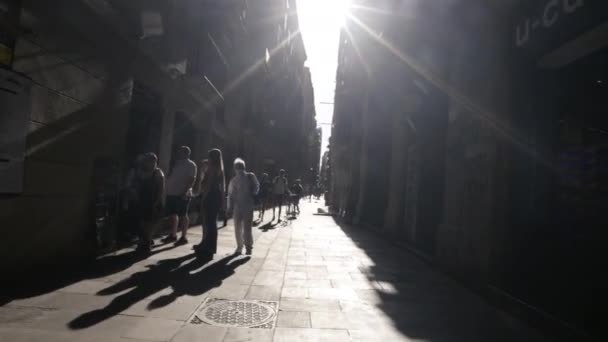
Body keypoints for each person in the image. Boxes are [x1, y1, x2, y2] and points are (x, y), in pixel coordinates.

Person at [162, 146, 197, 245]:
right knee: (172, 214)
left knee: (183, 215)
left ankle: (184, 236)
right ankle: (173, 234)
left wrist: (185, 191)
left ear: (187, 153)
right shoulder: (176, 163)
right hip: (171, 192)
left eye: (181, 152)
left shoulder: (191, 164)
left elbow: (191, 179)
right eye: (179, 152)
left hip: (182, 193)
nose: (179, 153)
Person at [196, 148, 225, 257]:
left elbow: (207, 185)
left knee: (209, 223)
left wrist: (203, 198)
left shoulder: (212, 168)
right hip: (216, 196)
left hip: (210, 196)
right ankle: (208, 246)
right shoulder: (219, 168)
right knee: (212, 223)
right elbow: (222, 187)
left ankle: (207, 247)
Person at [227, 158, 259, 255]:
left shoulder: (234, 179)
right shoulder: (250, 176)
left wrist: (229, 208)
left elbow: (230, 195)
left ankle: (240, 247)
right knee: (247, 227)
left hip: (238, 206)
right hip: (248, 205)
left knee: (238, 227)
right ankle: (248, 247)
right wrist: (253, 193)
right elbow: (257, 186)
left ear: (235, 168)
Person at [135, 153, 165, 253]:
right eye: (148, 161)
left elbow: (161, 189)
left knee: (150, 223)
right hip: (142, 200)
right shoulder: (141, 171)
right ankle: (144, 240)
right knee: (141, 222)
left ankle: (146, 243)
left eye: (152, 161)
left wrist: (157, 201)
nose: (150, 163)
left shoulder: (158, 172)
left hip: (153, 200)